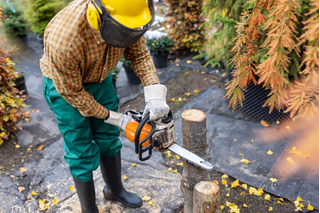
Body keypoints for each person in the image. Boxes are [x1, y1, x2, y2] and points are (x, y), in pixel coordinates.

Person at [40, 0, 169, 212]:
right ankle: (88, 209)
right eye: (121, 31)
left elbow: (138, 54)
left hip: (101, 80)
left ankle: (114, 190)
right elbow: (73, 93)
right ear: (97, 17)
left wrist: (155, 94)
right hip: (65, 88)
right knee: (79, 147)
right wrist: (117, 118)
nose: (126, 34)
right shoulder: (63, 39)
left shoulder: (128, 15)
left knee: (108, 137)